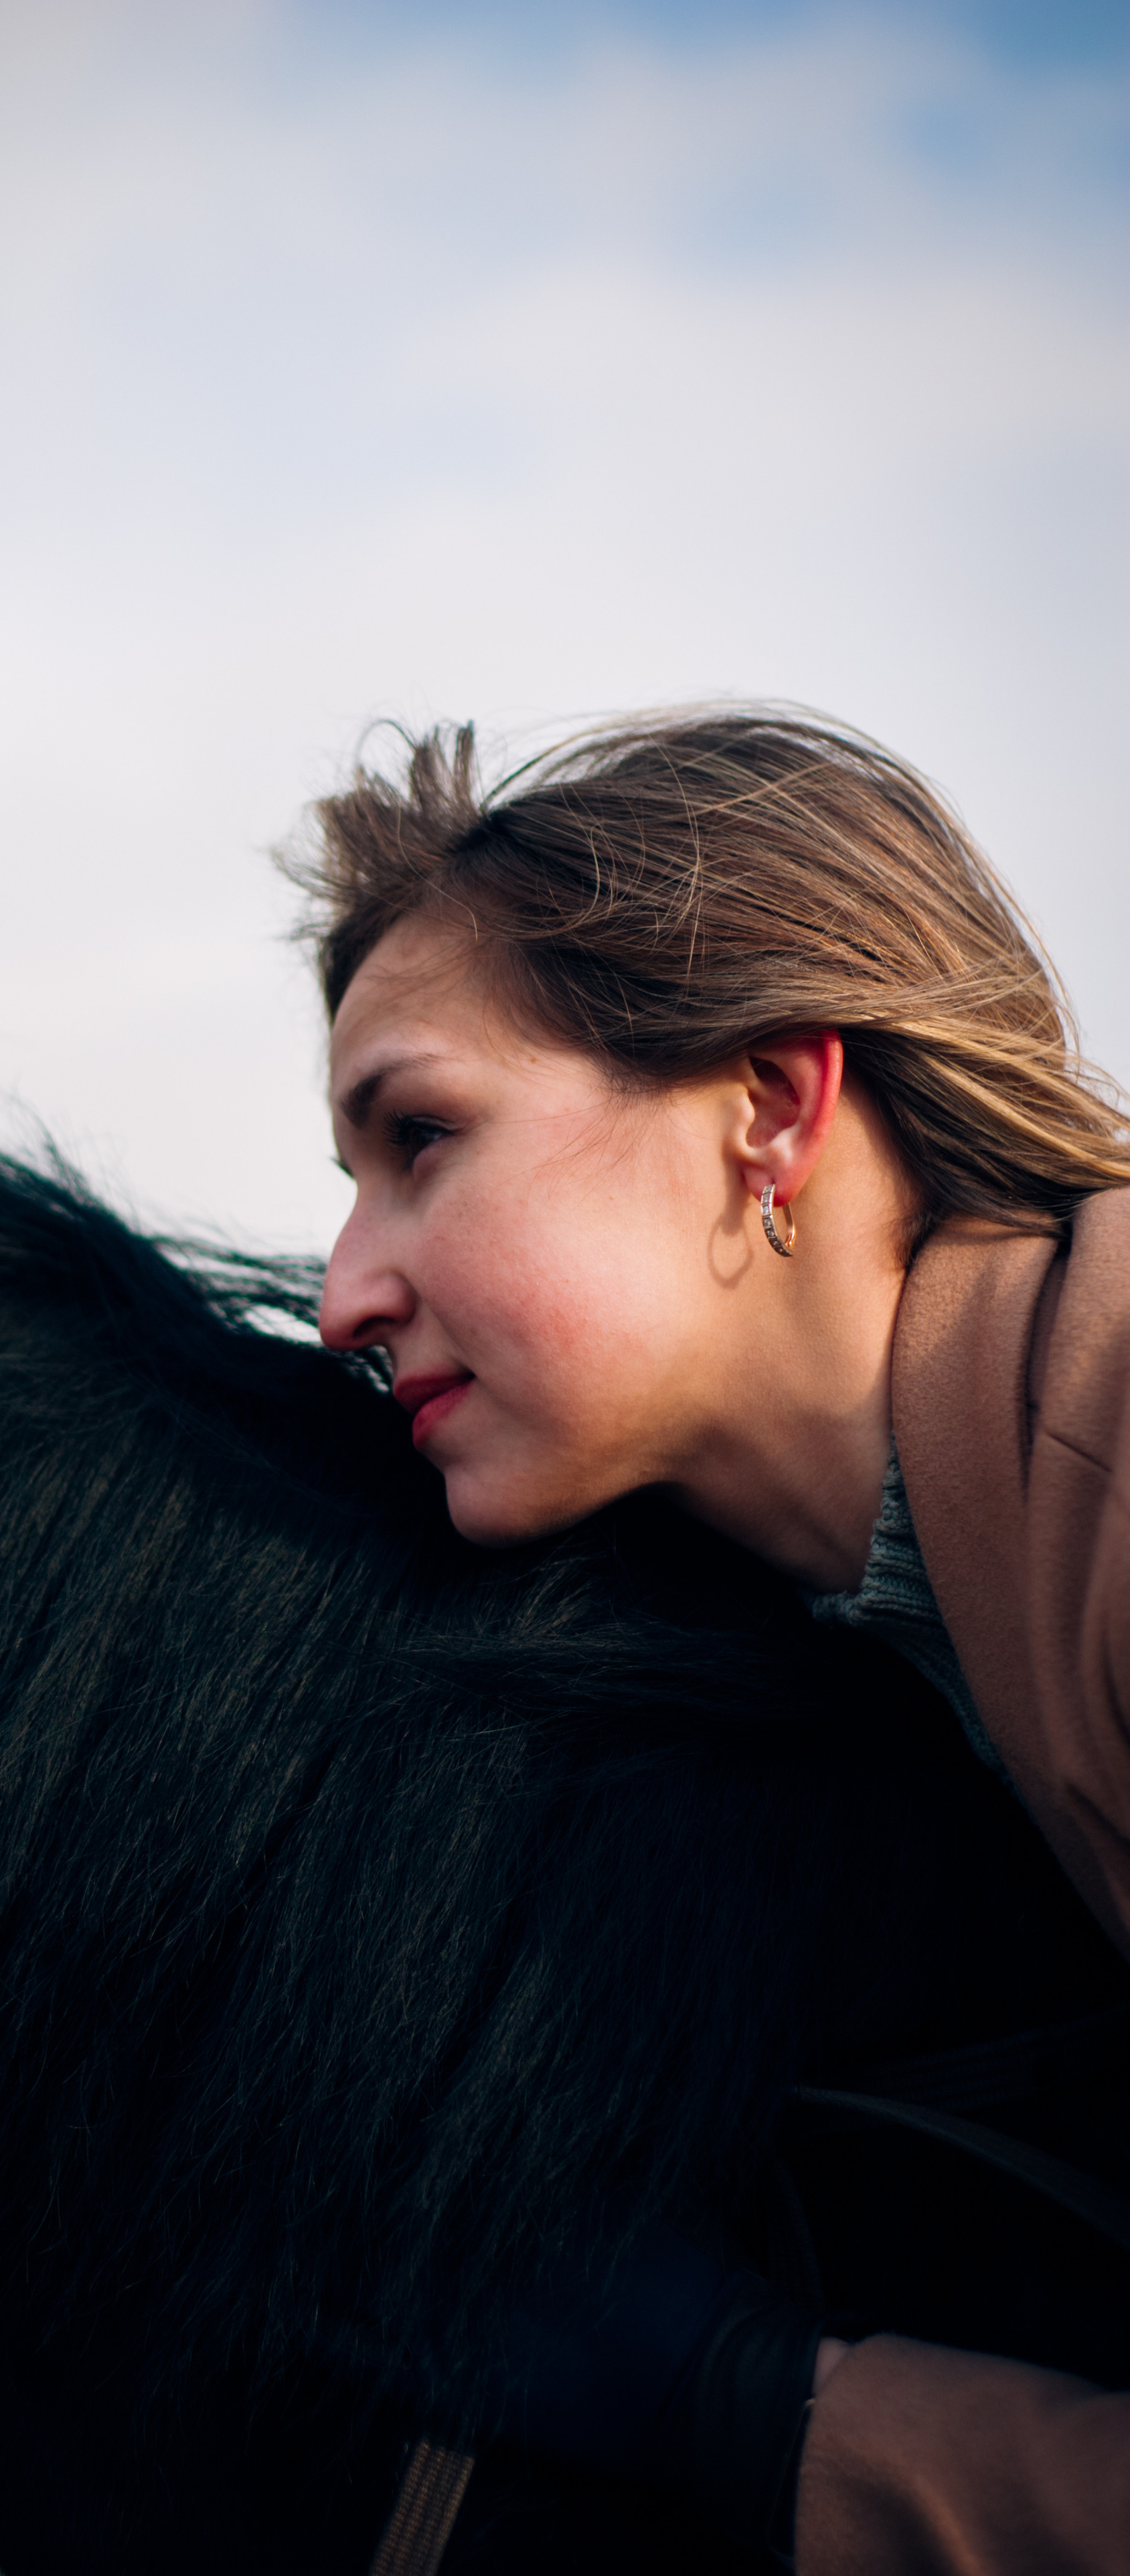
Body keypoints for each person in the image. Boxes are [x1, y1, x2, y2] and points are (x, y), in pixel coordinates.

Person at [298, 708, 1130, 2575]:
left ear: (770, 1106)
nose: (343, 1294)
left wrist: (774, 2423)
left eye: (420, 1138)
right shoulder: (894, 1626)